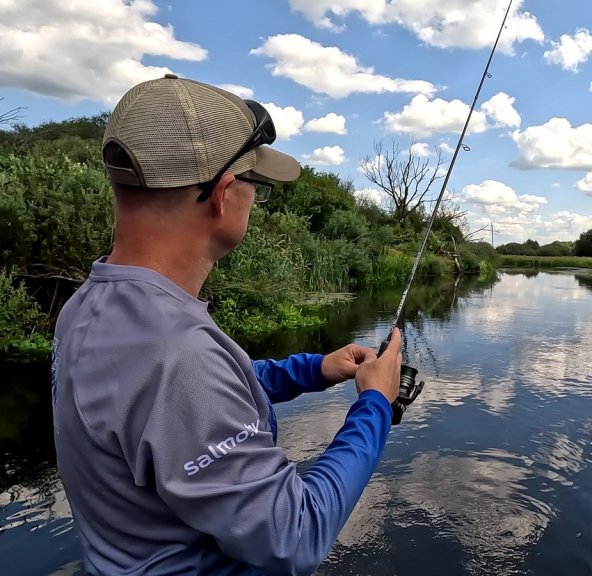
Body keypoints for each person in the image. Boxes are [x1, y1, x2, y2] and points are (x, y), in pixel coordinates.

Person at [51, 74, 402, 575]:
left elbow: (173, 407)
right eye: (255, 185)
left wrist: (314, 370)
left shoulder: (87, 307)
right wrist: (375, 405)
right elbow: (293, 534)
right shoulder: (179, 354)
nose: (254, 200)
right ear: (223, 193)